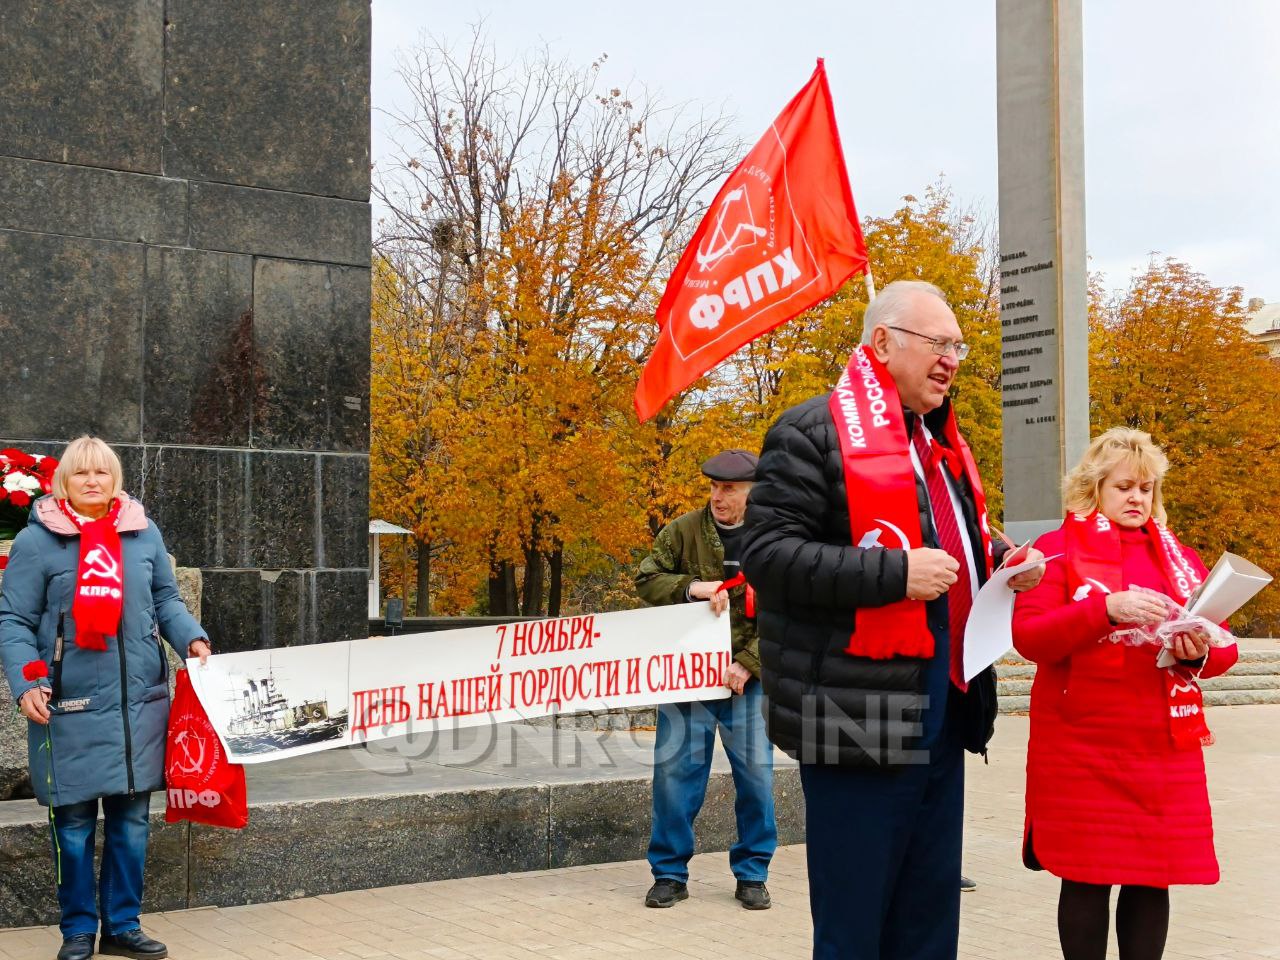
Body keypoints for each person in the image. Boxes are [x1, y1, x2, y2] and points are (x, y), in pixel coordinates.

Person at [741, 280, 1043, 959]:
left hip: (942, 705)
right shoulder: (811, 431)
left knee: (928, 915)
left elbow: (954, 543)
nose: (953, 359)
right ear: (882, 342)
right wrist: (895, 575)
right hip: (854, 712)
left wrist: (999, 559)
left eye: (958, 346)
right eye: (938, 343)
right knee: (856, 923)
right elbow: (766, 556)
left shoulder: (938, 446)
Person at [1012, 428, 1239, 960]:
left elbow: (1223, 649)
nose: (1137, 498)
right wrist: (1104, 610)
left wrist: (1193, 652)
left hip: (1160, 746)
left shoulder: (1179, 556)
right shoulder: (1055, 550)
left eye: (1146, 488)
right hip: (1079, 744)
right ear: (1094, 488)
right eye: (1124, 487)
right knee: (1086, 879)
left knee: (1151, 878)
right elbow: (1029, 638)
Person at [0, 437, 212, 960]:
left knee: (131, 819)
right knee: (72, 825)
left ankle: (122, 924)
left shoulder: (141, 532)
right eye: (81, 474)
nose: (92, 481)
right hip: (69, 704)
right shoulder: (38, 542)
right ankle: (77, 930)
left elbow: (165, 598)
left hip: (139, 704)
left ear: (114, 479)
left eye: (102, 472)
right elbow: (15, 620)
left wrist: (191, 638)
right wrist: (28, 680)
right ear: (63, 482)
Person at [635, 448, 777, 911]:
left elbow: (789, 608)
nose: (718, 496)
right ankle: (669, 874)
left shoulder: (775, 537)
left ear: (752, 492)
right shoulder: (682, 531)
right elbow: (646, 579)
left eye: (729, 489)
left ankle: (753, 873)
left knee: (756, 779)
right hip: (688, 681)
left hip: (746, 683)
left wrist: (750, 662)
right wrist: (690, 588)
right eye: (714, 487)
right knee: (674, 778)